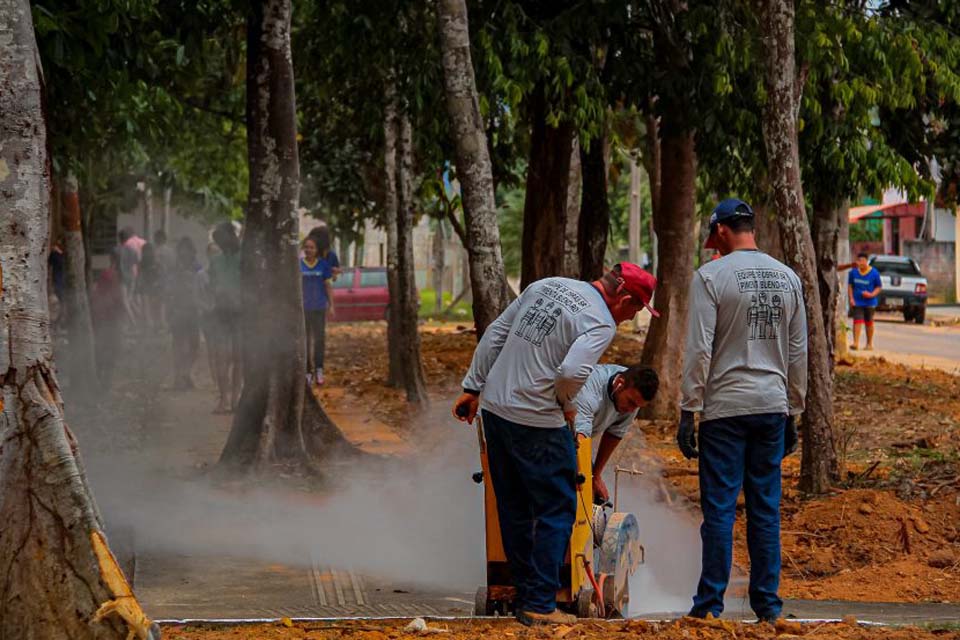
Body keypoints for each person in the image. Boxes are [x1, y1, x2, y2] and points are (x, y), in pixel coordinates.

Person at [452, 263, 659, 626]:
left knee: (514, 507)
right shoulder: (600, 321)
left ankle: (522, 594)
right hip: (536, 418)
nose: (630, 319)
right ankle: (541, 602)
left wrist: (473, 387)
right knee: (557, 507)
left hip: (496, 411)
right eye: (636, 310)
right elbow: (570, 373)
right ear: (624, 298)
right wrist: (566, 405)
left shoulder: (546, 284)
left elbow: (497, 332)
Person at [678, 198, 808, 624]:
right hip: (771, 407)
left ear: (719, 231)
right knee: (765, 510)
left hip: (724, 410)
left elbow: (699, 349)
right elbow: (797, 350)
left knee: (719, 510)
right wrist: (794, 408)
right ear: (751, 227)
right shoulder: (788, 277)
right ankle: (768, 608)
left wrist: (688, 408)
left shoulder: (711, 276)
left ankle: (709, 606)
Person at [573, 364, 659, 504]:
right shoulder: (590, 389)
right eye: (631, 402)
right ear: (619, 384)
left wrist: (596, 475)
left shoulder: (632, 398)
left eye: (637, 406)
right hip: (555, 432)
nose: (631, 410)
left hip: (578, 439)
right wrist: (585, 478)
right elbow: (580, 439)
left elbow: (614, 433)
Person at [208, 222, 243, 414]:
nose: (221, 244)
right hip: (221, 312)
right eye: (217, 242)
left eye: (222, 240)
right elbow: (212, 285)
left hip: (241, 313)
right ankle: (223, 399)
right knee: (222, 357)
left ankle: (236, 399)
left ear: (232, 236)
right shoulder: (215, 261)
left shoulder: (244, 258)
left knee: (238, 357)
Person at [167, 237, 202, 390]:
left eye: (187, 249)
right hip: (177, 310)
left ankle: (185, 372)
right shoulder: (174, 268)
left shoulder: (197, 267)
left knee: (195, 344)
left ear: (192, 251)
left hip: (194, 309)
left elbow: (203, 286)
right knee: (178, 345)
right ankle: (178, 377)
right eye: (182, 249)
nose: (184, 252)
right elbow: (168, 289)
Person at [301, 236, 335, 385]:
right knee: (306, 341)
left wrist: (331, 305)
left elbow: (328, 286)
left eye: (312, 247)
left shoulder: (323, 265)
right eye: (306, 247)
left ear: (316, 250)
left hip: (319, 307)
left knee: (319, 340)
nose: (309, 250)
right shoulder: (298, 265)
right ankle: (308, 371)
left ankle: (319, 369)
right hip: (303, 309)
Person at [92, 249, 126, 388]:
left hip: (104, 316)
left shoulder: (107, 274)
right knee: (111, 349)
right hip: (112, 317)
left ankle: (102, 378)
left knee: (103, 348)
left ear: (111, 258)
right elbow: (119, 298)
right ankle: (106, 380)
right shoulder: (117, 275)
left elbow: (99, 293)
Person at [848, 252, 882, 351]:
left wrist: (871, 294)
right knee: (857, 321)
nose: (860, 263)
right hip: (857, 301)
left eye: (862, 261)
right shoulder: (853, 272)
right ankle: (855, 342)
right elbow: (850, 286)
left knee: (869, 322)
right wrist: (851, 298)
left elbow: (878, 287)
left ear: (867, 261)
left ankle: (869, 344)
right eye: (858, 261)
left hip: (870, 302)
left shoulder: (874, 273)